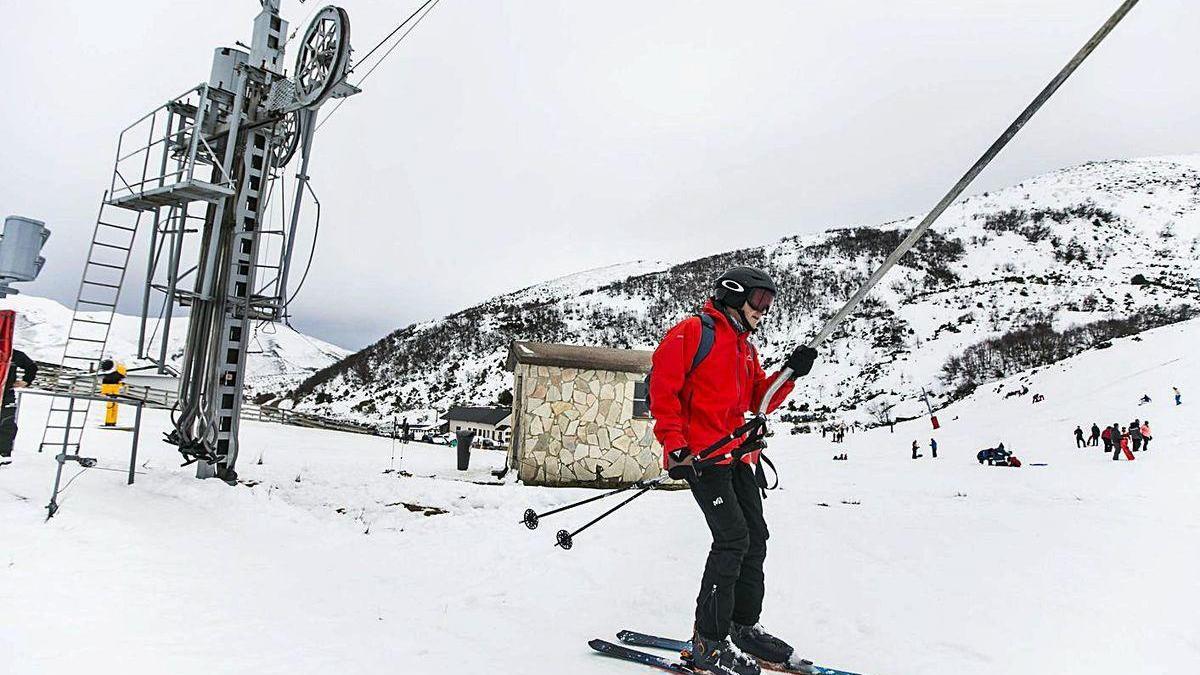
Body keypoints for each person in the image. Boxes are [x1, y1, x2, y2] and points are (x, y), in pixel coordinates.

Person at [650, 266, 818, 675]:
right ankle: (708, 640)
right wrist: (675, 447)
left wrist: (790, 372)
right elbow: (662, 391)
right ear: (733, 295)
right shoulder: (693, 333)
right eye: (758, 300)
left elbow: (760, 400)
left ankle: (743, 628)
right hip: (703, 460)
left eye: (769, 303)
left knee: (755, 538)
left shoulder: (745, 349)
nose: (764, 310)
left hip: (738, 456)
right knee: (731, 540)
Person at [1, 348, 38, 464]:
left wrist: (26, 381)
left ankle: (3, 454)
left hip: (7, 394)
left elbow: (32, 367)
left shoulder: (12, 354)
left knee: (6, 424)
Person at [97, 358, 127, 427]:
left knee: (112, 405)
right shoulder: (119, 370)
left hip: (112, 387)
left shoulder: (116, 371)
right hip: (112, 388)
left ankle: (111, 422)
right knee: (112, 405)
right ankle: (110, 422)